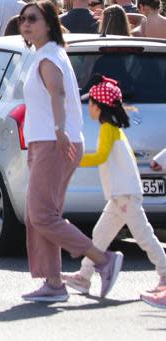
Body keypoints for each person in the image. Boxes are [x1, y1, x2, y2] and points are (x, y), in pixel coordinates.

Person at [17, 0, 123, 302]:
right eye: (23, 19)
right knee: (41, 214)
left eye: (33, 19)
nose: (26, 24)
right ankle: (53, 283)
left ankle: (102, 261)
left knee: (41, 214)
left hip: (55, 142)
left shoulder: (49, 56)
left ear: (48, 23)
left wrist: (59, 130)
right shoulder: (45, 54)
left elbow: (59, 93)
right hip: (45, 141)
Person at [59, 76, 166, 298]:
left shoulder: (108, 128)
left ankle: (165, 274)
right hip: (120, 195)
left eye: (90, 103)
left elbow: (100, 157)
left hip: (124, 195)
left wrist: (74, 160)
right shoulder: (113, 128)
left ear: (99, 107)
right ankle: (84, 276)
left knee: (143, 235)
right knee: (100, 233)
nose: (88, 107)